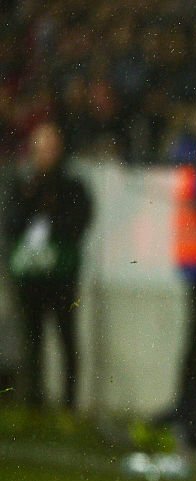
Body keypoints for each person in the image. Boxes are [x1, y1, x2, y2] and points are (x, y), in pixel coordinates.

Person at [3, 121, 93, 409]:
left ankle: (68, 403)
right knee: (33, 340)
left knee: (66, 338)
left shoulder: (72, 185)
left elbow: (77, 223)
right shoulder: (22, 183)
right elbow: (12, 222)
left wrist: (49, 219)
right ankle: (33, 401)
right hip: (30, 277)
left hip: (62, 276)